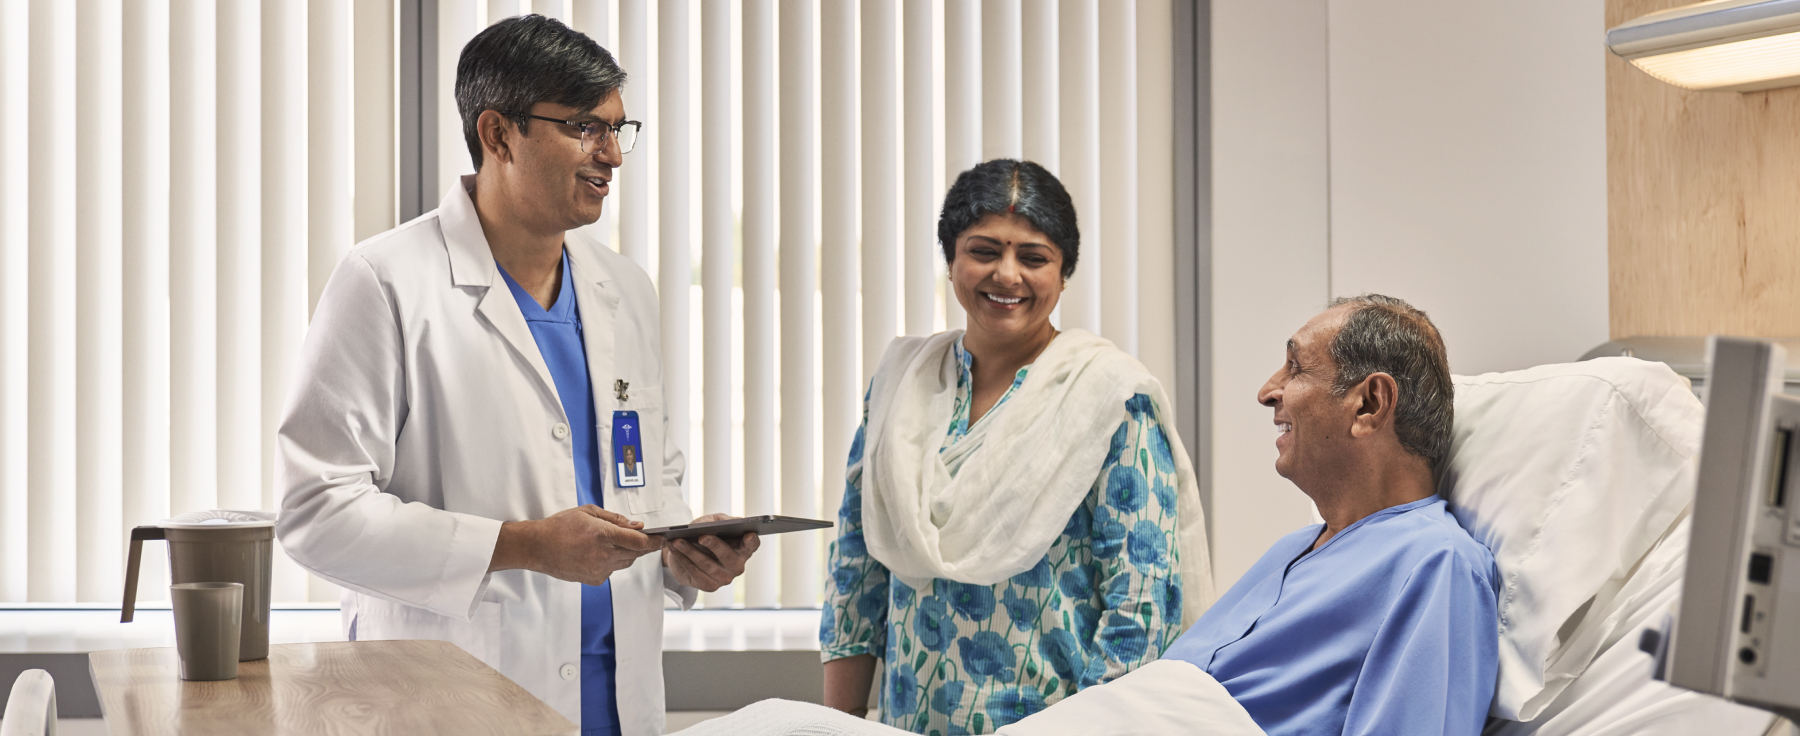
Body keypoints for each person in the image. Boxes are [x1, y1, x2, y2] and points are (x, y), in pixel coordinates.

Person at [273, 16, 757, 736]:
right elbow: (317, 514)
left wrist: (685, 557)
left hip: (617, 708)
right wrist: (523, 545)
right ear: (498, 134)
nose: (612, 157)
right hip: (452, 705)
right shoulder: (386, 281)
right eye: (587, 128)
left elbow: (649, 484)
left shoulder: (626, 291)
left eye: (619, 130)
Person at [819, 159, 1216, 734]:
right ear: (951, 258)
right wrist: (841, 724)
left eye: (1033, 258)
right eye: (984, 251)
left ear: (1063, 272)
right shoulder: (901, 384)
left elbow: (1141, 611)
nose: (1007, 275)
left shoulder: (1109, 398)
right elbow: (856, 574)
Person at [1156, 294, 1500, 736]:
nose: (1267, 392)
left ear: (1369, 405)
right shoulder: (1292, 549)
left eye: (1295, 368)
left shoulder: (1438, 564)